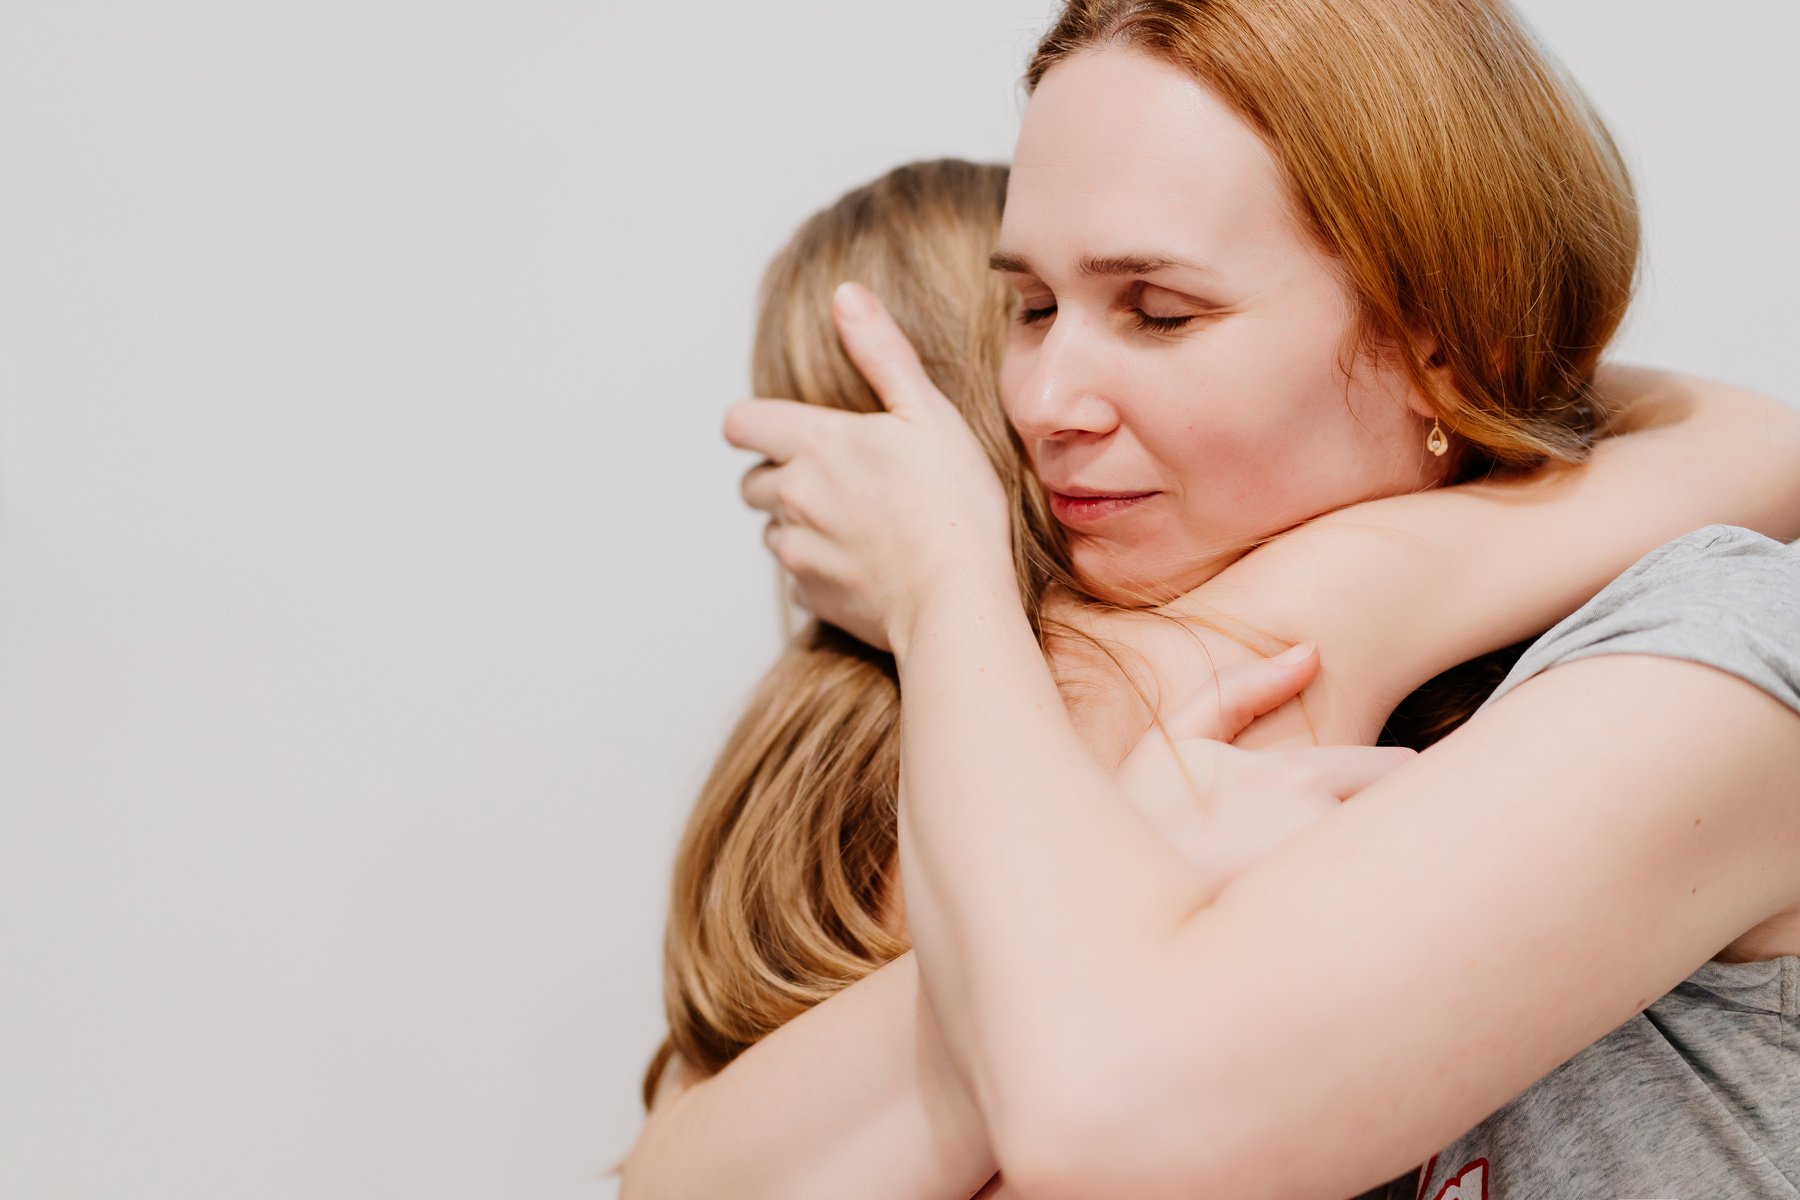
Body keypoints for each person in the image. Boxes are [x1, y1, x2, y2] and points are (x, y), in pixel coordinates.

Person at [700, 1, 1800, 1197]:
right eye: (1028, 308)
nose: (1045, 398)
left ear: (1441, 331)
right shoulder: (1043, 704)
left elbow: (1110, 1131)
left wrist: (943, 577)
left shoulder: (1708, 655)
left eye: (1160, 314)